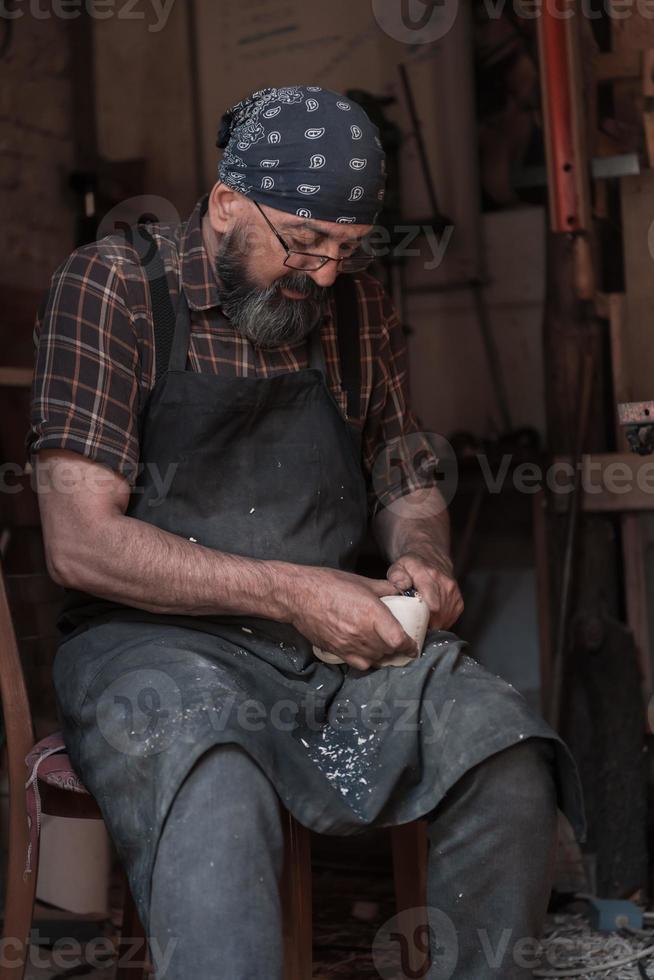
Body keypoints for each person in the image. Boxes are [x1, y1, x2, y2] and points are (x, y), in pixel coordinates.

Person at [28, 85, 585, 979]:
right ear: (223, 205)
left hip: (328, 651)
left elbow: (406, 478)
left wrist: (424, 553)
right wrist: (292, 589)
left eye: (347, 249)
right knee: (213, 776)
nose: (324, 273)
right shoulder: (115, 289)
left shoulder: (357, 308)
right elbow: (80, 542)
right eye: (302, 243)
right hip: (151, 647)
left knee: (505, 749)